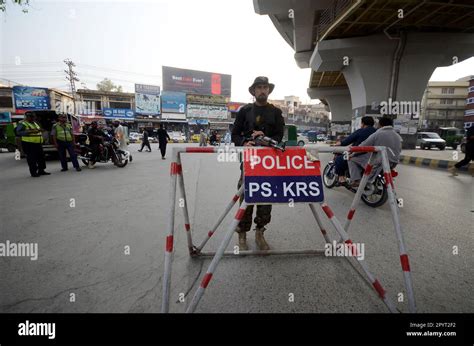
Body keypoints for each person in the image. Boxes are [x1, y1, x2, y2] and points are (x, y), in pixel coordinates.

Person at [231, 76, 285, 251]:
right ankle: (242, 234)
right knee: (246, 195)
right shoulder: (244, 111)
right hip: (249, 161)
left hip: (268, 162)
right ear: (253, 91)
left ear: (268, 91)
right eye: (259, 87)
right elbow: (235, 134)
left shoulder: (276, 112)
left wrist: (268, 139)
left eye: (265, 87)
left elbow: (279, 136)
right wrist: (244, 143)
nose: (262, 90)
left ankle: (260, 232)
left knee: (266, 197)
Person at [347, 116, 402, 187]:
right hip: (394, 162)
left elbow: (363, 145)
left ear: (380, 125)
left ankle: (355, 180)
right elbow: (399, 149)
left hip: (380, 161)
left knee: (351, 159)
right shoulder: (397, 136)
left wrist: (353, 153)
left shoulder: (378, 133)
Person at [334, 116, 376, 184]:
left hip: (359, 154)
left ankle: (341, 178)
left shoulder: (361, 131)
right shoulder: (376, 131)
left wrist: (340, 143)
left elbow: (347, 141)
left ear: (363, 123)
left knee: (339, 159)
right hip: (374, 156)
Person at [15, 112, 50, 177]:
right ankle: (33, 172)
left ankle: (41, 170)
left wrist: (41, 130)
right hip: (29, 144)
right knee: (31, 159)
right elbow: (18, 132)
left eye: (33, 117)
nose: (33, 118)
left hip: (38, 143)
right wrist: (30, 131)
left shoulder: (35, 123)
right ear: (27, 117)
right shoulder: (22, 123)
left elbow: (37, 130)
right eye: (31, 117)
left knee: (41, 157)